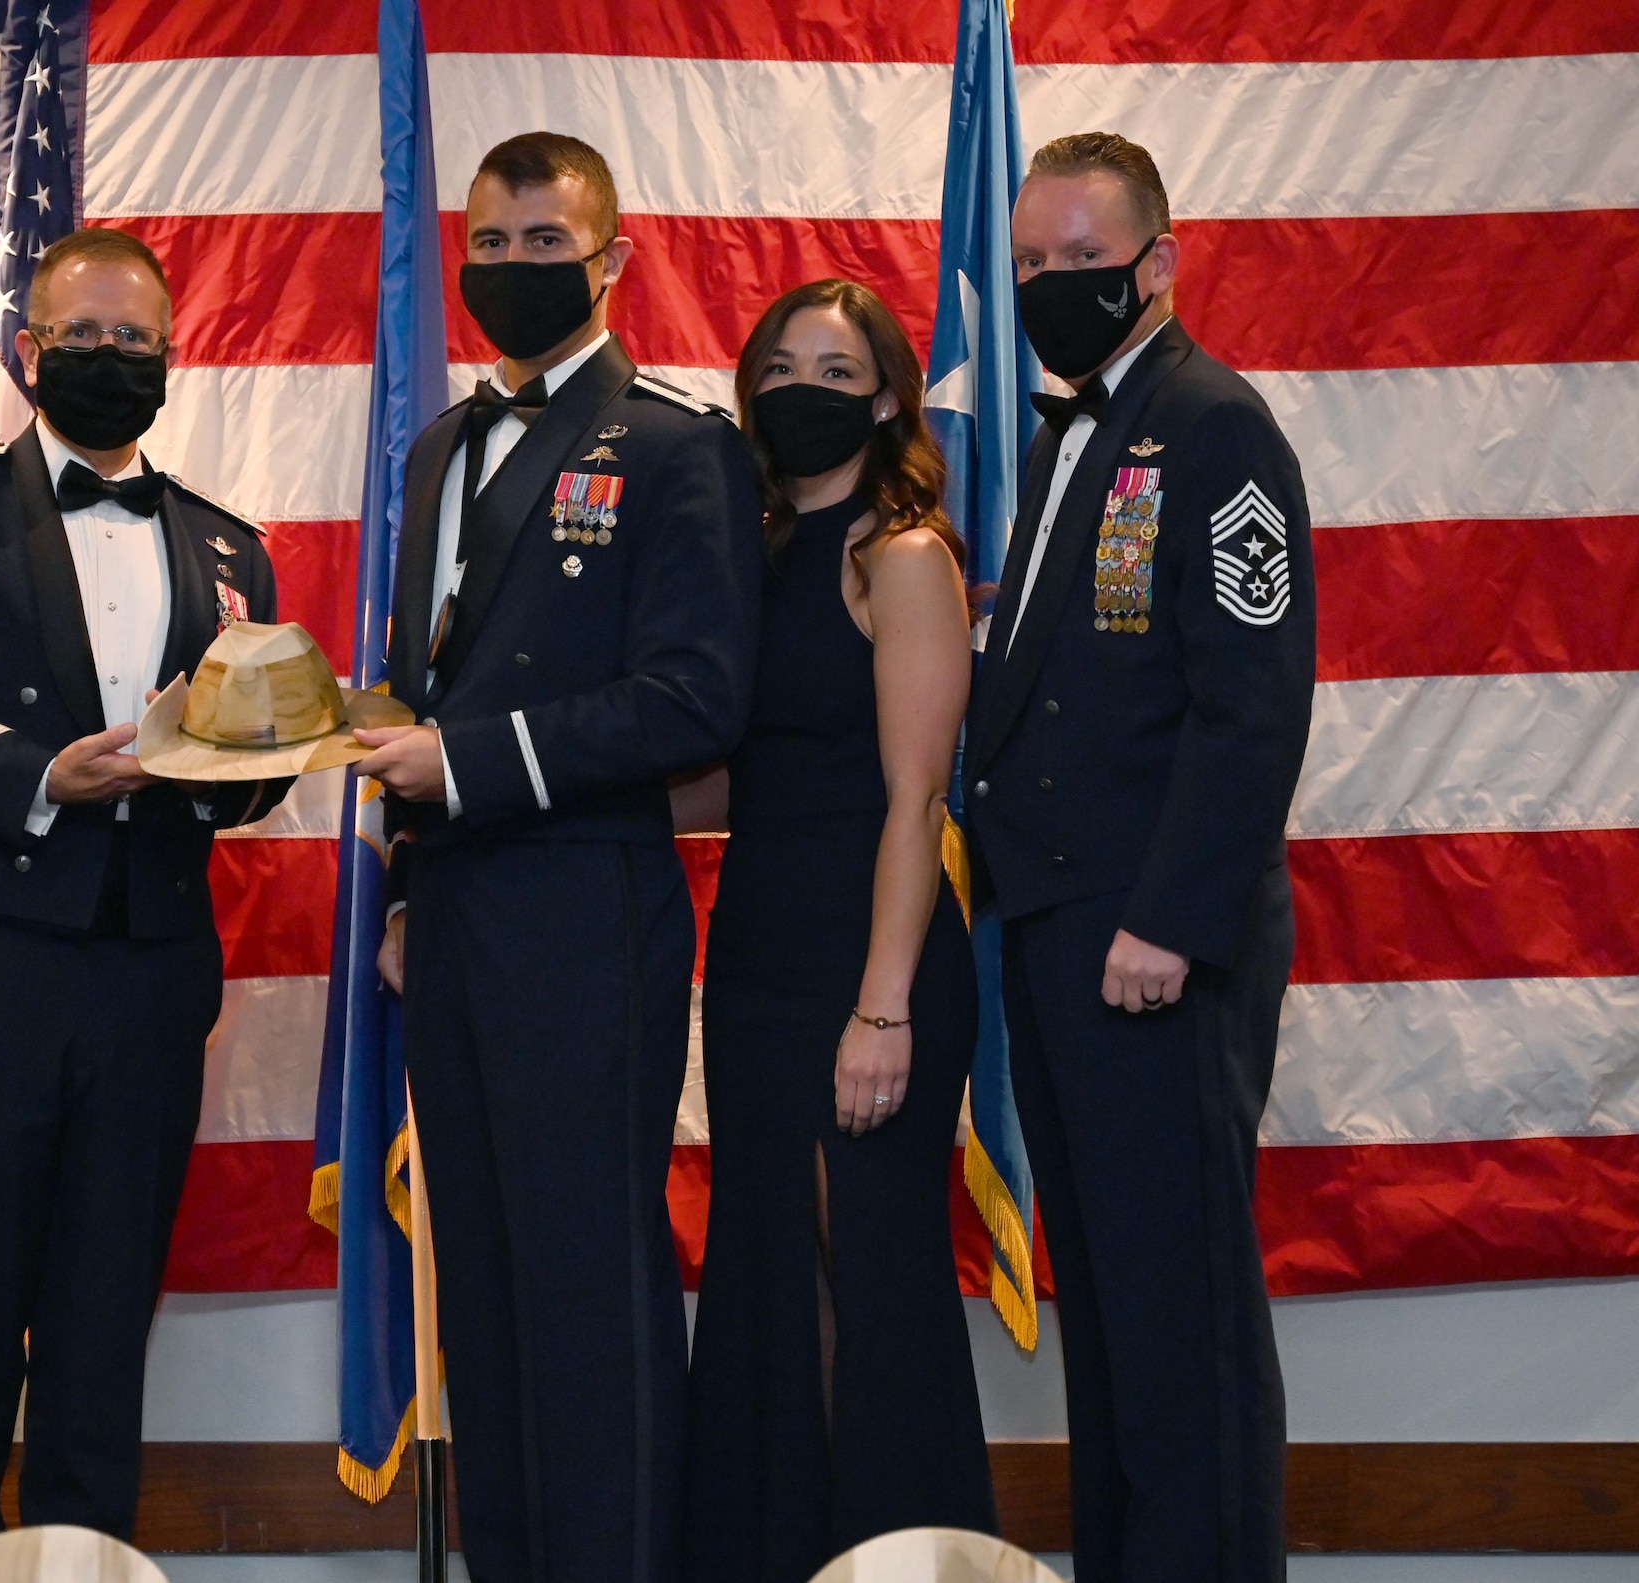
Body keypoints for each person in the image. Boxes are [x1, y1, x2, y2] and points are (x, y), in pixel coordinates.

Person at [0, 227, 294, 1579]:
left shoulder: (231, 549)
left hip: (148, 981)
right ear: (31, 349)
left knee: (102, 1330)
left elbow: (248, 771)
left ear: (171, 356)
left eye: (134, 340)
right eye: (81, 337)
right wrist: (49, 775)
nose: (108, 358)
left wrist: (229, 770)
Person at [355, 132, 763, 1583]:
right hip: (455, 913)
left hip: (590, 906)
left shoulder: (677, 444)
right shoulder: (437, 450)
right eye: (493, 245)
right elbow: (424, 686)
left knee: (592, 1294)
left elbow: (696, 699)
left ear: (613, 259)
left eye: (546, 244)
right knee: (495, 1294)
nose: (514, 269)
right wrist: (407, 874)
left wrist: (462, 770)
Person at [962, 132, 1316, 1582]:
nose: (1054, 287)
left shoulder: (1215, 427)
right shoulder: (1072, 436)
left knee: (1186, 1333)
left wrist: (1170, 921)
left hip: (1152, 942)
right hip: (1060, 930)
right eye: (1034, 264)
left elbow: (1252, 703)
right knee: (1111, 1316)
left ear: (1160, 264)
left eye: (1085, 265)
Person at [678, 280, 999, 1582]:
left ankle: (901, 1561)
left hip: (875, 962)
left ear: (882, 398)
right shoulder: (740, 557)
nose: (803, 387)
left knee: (865, 1287)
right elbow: (732, 774)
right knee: (761, 1279)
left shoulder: (902, 556)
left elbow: (914, 793)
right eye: (781, 365)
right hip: (754, 957)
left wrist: (883, 1007)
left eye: (835, 367)